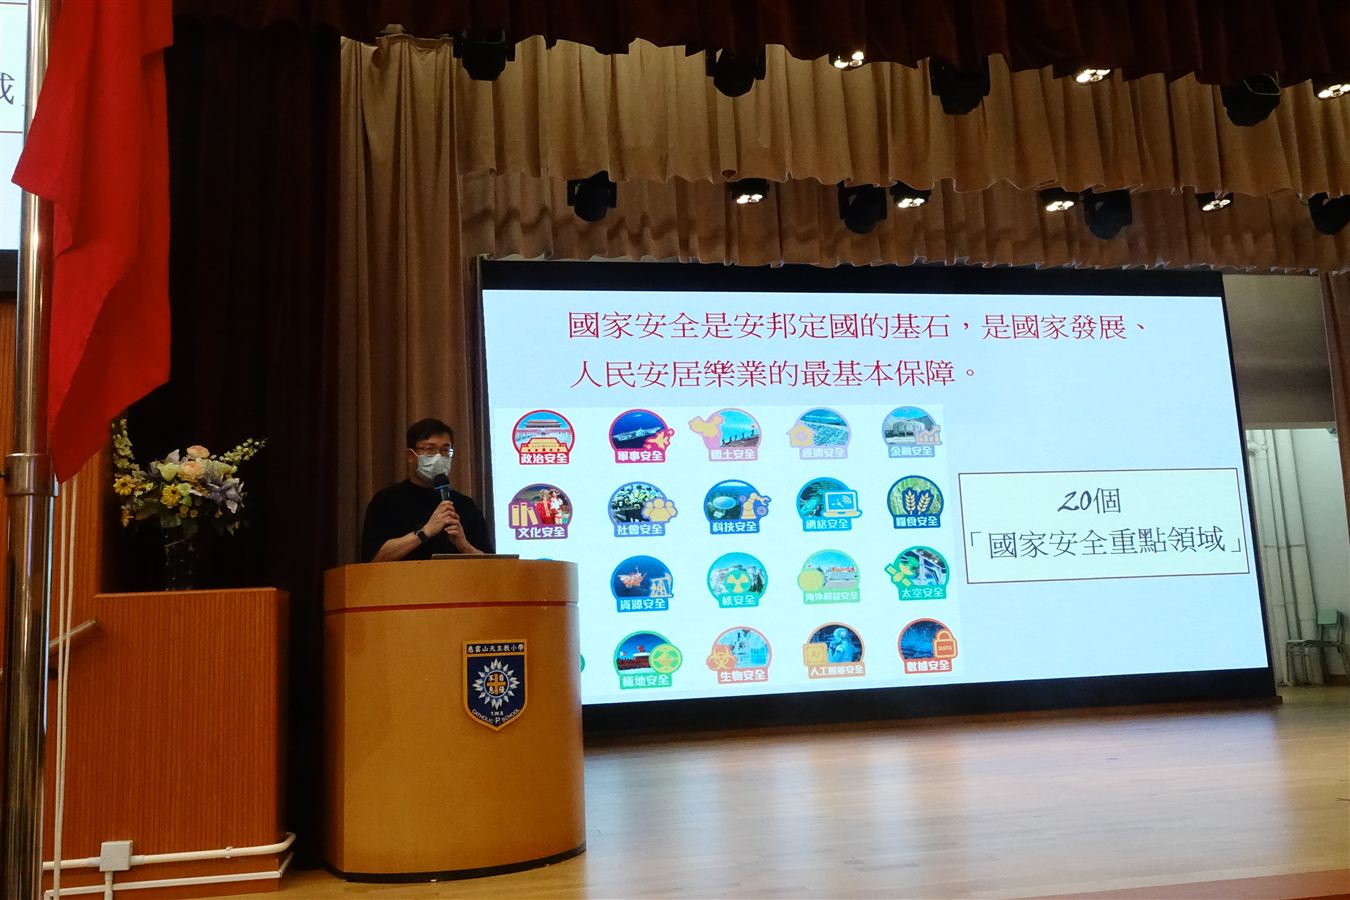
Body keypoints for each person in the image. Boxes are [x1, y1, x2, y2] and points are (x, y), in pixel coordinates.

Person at [361, 418, 492, 562]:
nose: (439, 457)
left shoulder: (465, 505)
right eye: (430, 449)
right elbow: (373, 558)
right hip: (405, 577)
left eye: (445, 450)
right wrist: (425, 532)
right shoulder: (386, 501)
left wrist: (464, 546)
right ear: (411, 456)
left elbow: (491, 565)